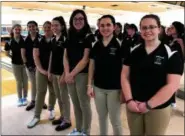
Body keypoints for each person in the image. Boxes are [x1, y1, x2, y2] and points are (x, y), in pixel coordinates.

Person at [121, 14, 184, 135]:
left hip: (158, 108)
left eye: (152, 27)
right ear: (140, 29)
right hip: (134, 104)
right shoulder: (134, 51)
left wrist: (149, 105)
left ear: (159, 29)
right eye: (144, 28)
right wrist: (129, 100)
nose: (147, 30)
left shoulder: (171, 53)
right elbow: (124, 76)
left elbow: (172, 85)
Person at [87, 15, 123, 135]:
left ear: (114, 27)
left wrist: (124, 90)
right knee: (102, 118)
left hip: (115, 89)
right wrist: (89, 85)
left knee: (115, 120)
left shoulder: (120, 44)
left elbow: (126, 69)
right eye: (102, 25)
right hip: (98, 88)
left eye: (108, 25)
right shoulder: (96, 45)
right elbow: (92, 65)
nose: (105, 28)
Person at [63, 9, 95, 135]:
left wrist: (71, 74)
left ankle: (86, 131)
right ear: (72, 20)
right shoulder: (69, 34)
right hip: (70, 75)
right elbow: (65, 56)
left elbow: (85, 59)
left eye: (81, 18)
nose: (78, 21)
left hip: (82, 74)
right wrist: (66, 73)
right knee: (76, 104)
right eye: (75, 19)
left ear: (85, 20)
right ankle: (79, 128)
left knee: (84, 105)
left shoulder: (88, 36)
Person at [27, 21, 56, 128]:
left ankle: (51, 109)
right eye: (45, 28)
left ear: (52, 28)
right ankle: (36, 116)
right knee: (40, 92)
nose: (47, 29)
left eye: (49, 27)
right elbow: (35, 56)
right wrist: (42, 70)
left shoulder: (57, 40)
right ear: (42, 29)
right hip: (41, 70)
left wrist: (50, 71)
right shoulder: (38, 40)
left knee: (53, 92)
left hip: (53, 71)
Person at [49, 16, 71, 131]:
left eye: (56, 25)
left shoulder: (65, 39)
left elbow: (67, 58)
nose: (54, 27)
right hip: (54, 73)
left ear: (62, 26)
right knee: (59, 97)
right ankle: (63, 116)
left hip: (62, 74)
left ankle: (67, 120)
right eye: (52, 25)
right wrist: (49, 71)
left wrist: (64, 74)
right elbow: (52, 56)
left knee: (64, 97)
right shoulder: (53, 39)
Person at [21, 21, 47, 111]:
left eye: (33, 26)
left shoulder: (41, 38)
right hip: (29, 66)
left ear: (36, 27)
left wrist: (39, 66)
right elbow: (23, 54)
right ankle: (33, 101)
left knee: (41, 85)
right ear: (27, 28)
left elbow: (43, 54)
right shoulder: (24, 39)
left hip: (39, 66)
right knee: (33, 84)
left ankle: (42, 101)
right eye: (29, 26)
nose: (31, 28)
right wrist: (27, 65)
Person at [4, 24, 28, 107]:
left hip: (25, 64)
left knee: (25, 82)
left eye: (19, 29)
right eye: (16, 29)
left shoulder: (24, 40)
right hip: (15, 64)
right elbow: (7, 53)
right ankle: (19, 98)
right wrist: (13, 57)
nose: (17, 31)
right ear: (13, 30)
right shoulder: (9, 42)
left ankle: (25, 97)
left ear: (21, 30)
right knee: (19, 82)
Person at [168, 21, 185, 109]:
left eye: (172, 27)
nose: (170, 29)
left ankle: (172, 101)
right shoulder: (169, 38)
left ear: (177, 29)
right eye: (170, 27)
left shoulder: (182, 39)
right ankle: (170, 99)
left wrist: (181, 44)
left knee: (173, 83)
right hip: (168, 64)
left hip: (178, 65)